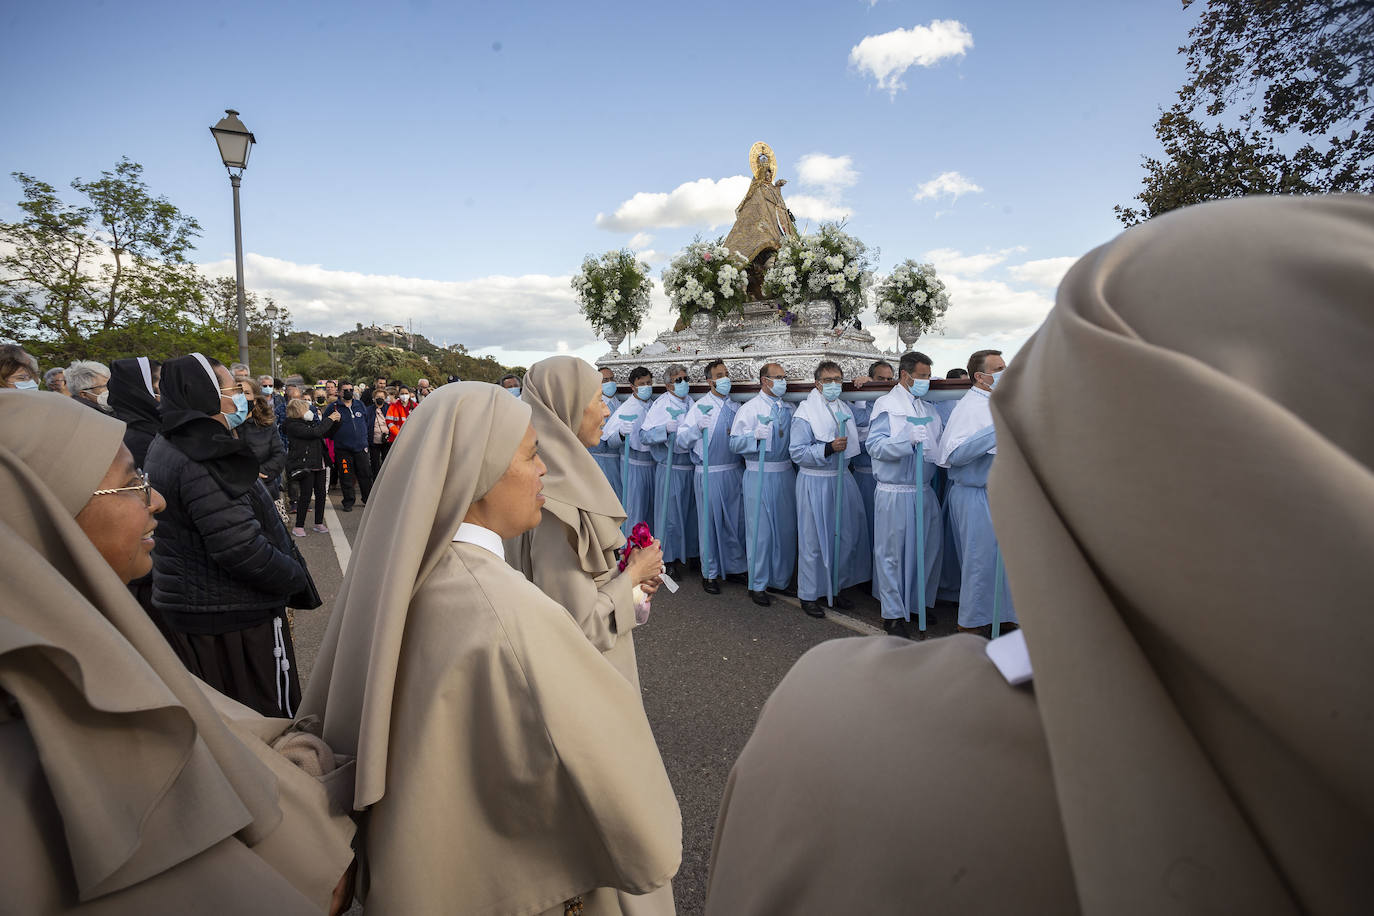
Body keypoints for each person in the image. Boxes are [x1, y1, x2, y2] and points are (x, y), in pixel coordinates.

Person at [705, 194, 1374, 915]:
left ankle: (862, 598)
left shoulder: (832, 710)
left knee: (900, 558)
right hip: (810, 481)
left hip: (852, 487)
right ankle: (817, 593)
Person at [301, 382, 682, 914]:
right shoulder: (503, 608)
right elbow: (625, 797)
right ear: (478, 473)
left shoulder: (415, 575)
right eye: (530, 455)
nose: (544, 469)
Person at [0, 392, 357, 914]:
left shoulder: (87, 649)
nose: (156, 499)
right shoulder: (57, 718)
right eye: (130, 481)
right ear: (45, 512)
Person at [146, 354, 312, 718]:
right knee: (268, 717)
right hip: (232, 615)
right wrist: (293, 576)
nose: (243, 397)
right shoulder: (202, 454)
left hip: (204, 605)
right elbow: (239, 547)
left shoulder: (174, 442)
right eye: (233, 388)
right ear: (205, 395)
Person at [506, 356, 666, 697]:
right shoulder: (552, 505)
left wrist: (635, 589)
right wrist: (633, 576)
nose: (606, 411)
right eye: (597, 401)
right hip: (587, 682)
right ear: (569, 408)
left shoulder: (569, 482)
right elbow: (575, 628)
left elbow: (595, 588)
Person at [865, 351, 944, 638]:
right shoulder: (887, 405)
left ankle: (916, 602)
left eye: (928, 376)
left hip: (923, 490)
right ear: (905, 375)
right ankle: (893, 613)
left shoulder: (927, 408)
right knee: (892, 553)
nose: (926, 381)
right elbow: (874, 446)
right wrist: (905, 441)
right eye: (922, 376)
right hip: (895, 490)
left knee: (926, 549)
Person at [937, 348, 1015, 633]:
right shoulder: (970, 407)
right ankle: (971, 624)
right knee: (979, 561)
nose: (1005, 372)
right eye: (999, 369)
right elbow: (956, 454)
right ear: (981, 377)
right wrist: (995, 430)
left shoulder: (999, 402)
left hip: (998, 494)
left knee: (1004, 560)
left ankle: (1002, 614)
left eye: (1005, 366)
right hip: (973, 493)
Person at [790, 361, 871, 617]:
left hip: (841, 478)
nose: (834, 384)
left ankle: (836, 586)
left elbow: (870, 416)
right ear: (817, 383)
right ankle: (809, 594)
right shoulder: (805, 413)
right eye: (828, 380)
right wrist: (827, 448)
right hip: (816, 479)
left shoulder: (843, 406)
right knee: (814, 539)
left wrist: (870, 387)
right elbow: (797, 451)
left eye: (838, 379)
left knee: (844, 535)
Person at [729, 362, 798, 606]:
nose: (782, 381)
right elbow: (734, 444)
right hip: (759, 473)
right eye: (776, 377)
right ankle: (757, 583)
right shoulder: (749, 409)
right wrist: (753, 437)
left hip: (785, 473)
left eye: (783, 376)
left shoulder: (789, 408)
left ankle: (780, 580)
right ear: (764, 380)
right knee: (760, 531)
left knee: (785, 529)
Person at [676, 359, 747, 593]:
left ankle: (734, 566)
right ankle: (710, 573)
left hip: (733, 471)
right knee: (709, 523)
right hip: (710, 472)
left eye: (727, 373)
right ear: (710, 381)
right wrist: (697, 428)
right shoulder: (700, 407)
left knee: (734, 522)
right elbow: (681, 439)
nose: (725, 378)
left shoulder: (735, 407)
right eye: (720, 374)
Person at [640, 364, 698, 576]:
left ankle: (692, 554)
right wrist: (664, 430)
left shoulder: (691, 402)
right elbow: (644, 435)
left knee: (690, 513)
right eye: (678, 380)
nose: (684, 383)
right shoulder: (661, 405)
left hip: (689, 465)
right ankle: (669, 558)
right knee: (670, 515)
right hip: (670, 466)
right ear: (668, 385)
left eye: (685, 378)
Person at [604, 365, 657, 532]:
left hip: (653, 464)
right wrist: (620, 433)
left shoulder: (654, 405)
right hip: (634, 466)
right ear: (633, 387)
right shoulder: (626, 408)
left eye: (649, 383)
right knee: (634, 511)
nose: (646, 387)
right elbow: (610, 440)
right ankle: (630, 550)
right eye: (641, 384)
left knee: (651, 511)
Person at [849, 358, 893, 542]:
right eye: (880, 379)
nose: (885, 384)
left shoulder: (896, 401)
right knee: (865, 524)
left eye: (889, 380)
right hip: (863, 476)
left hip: (889, 478)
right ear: (870, 377)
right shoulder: (858, 401)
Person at [284, 397, 341, 536]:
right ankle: (299, 526)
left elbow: (325, 432)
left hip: (319, 462)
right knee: (306, 495)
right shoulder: (292, 425)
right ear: (298, 411)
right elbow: (315, 433)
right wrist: (330, 419)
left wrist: (336, 422)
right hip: (306, 464)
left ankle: (318, 523)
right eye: (306, 409)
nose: (309, 411)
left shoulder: (309, 423)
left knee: (321, 494)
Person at [239, 377, 287, 497]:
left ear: (255, 400)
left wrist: (258, 473)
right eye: (237, 393)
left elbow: (280, 454)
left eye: (246, 393)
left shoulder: (267, 425)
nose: (241, 397)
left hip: (266, 490)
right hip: (236, 494)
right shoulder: (223, 426)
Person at [329, 381, 373, 511]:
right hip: (343, 450)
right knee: (346, 475)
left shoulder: (360, 405)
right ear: (339, 392)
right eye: (345, 390)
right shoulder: (334, 407)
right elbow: (326, 427)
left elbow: (366, 422)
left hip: (361, 448)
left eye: (350, 389)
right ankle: (348, 501)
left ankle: (367, 499)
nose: (348, 392)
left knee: (365, 475)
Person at [590, 366, 624, 499]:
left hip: (617, 459)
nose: (610, 383)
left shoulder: (618, 403)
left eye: (611, 379)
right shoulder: (594, 404)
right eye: (605, 380)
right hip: (600, 460)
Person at [367, 386, 392, 476]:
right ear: (374, 398)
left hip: (387, 440)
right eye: (378, 397)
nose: (380, 399)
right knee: (375, 463)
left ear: (385, 398)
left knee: (387, 462)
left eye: (382, 397)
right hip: (373, 441)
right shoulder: (369, 410)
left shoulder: (389, 408)